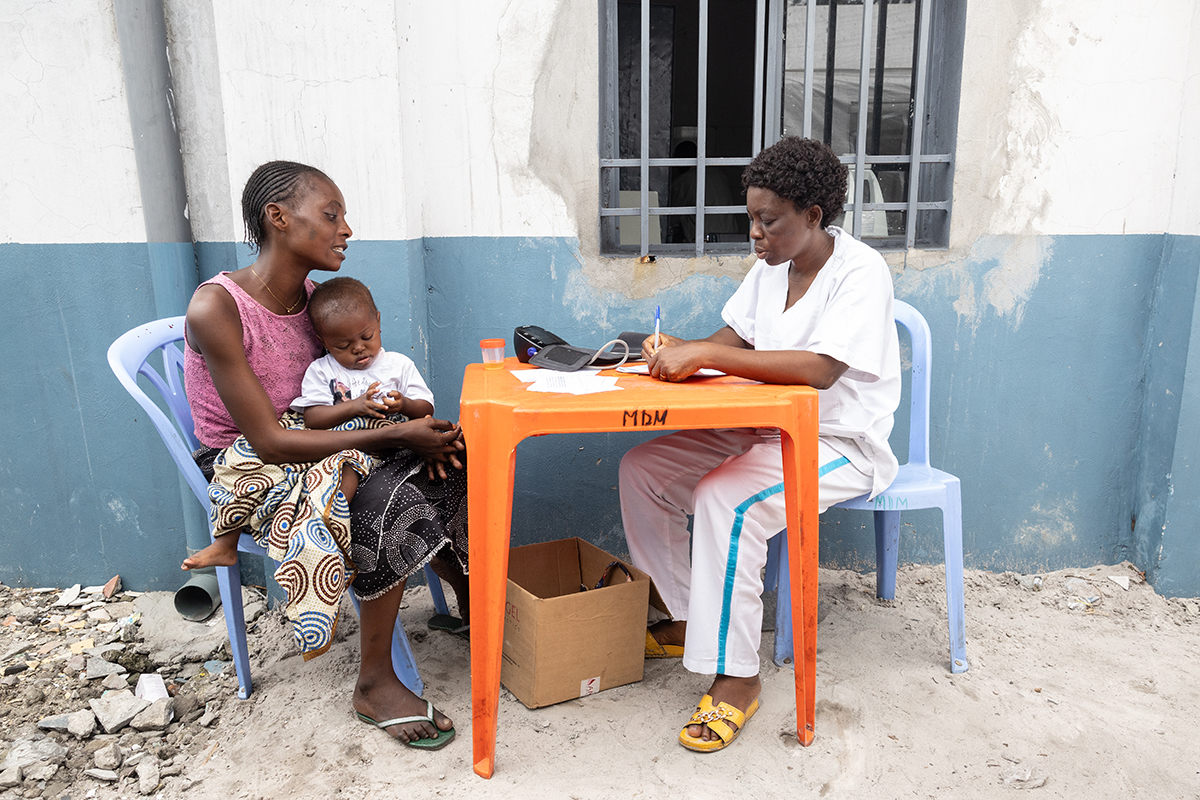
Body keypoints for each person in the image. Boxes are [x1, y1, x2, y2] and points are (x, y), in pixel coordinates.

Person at [620, 137, 900, 753]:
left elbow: (823, 369)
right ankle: (692, 617)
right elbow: (734, 339)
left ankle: (738, 679)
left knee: (728, 500)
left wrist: (708, 355)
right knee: (644, 468)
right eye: (751, 218)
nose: (755, 233)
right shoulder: (770, 269)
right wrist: (677, 354)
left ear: (814, 217)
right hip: (761, 425)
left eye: (767, 221)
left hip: (836, 443)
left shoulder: (859, 271)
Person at [180, 160, 466, 749]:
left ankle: (465, 595)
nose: (347, 229)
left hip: (326, 438)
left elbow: (346, 391)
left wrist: (411, 426)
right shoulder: (218, 309)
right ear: (279, 218)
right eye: (331, 214)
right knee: (385, 495)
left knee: (453, 453)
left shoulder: (318, 302)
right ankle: (375, 682)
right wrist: (389, 437)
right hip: (250, 462)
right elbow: (270, 441)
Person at [291, 277, 435, 430]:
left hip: (396, 443)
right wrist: (353, 406)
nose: (358, 348)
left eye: (367, 337)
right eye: (343, 345)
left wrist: (405, 405)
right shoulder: (321, 371)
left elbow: (427, 409)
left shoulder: (399, 365)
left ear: (378, 322)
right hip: (347, 447)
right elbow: (313, 419)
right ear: (323, 342)